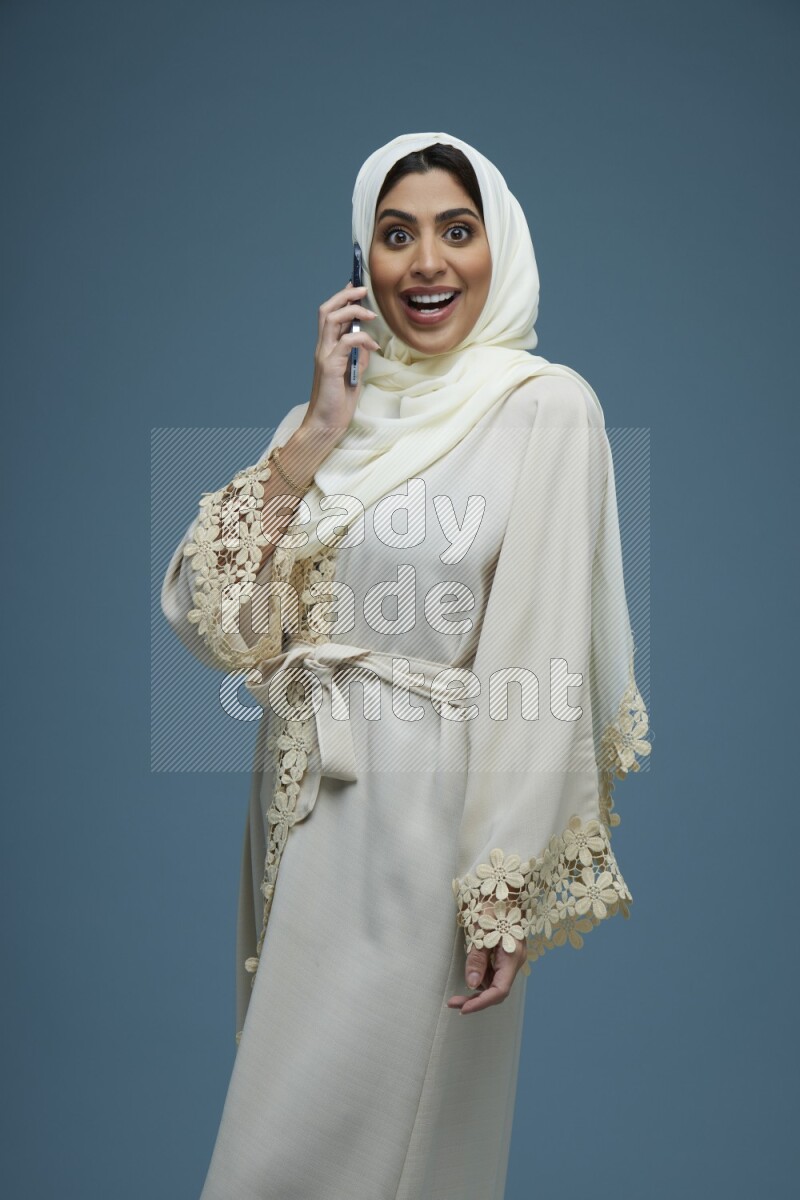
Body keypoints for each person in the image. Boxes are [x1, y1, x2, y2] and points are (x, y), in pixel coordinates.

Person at [160, 130, 651, 1200]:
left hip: (425, 841)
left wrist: (501, 887)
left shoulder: (544, 408)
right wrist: (314, 432)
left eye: (455, 231)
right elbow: (214, 619)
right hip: (301, 821)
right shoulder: (326, 420)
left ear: (498, 247)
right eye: (395, 235)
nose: (426, 262)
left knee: (354, 1164)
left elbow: (536, 662)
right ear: (360, 260)